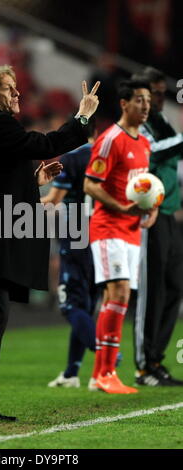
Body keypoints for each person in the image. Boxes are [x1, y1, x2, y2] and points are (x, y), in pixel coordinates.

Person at [0, 65, 100, 422]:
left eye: (15, 87)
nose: (17, 94)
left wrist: (33, 180)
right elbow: (45, 144)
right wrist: (82, 116)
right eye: (9, 88)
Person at [84, 79, 157, 394]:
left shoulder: (144, 143)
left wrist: (150, 208)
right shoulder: (111, 139)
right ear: (124, 103)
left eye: (148, 101)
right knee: (120, 293)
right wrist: (121, 207)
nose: (146, 106)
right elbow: (90, 184)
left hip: (131, 231)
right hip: (108, 227)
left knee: (115, 299)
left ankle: (101, 373)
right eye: (140, 100)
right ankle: (106, 372)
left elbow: (144, 187)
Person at [133, 67, 183, 386]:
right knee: (152, 290)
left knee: (174, 286)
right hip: (148, 214)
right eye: (157, 92)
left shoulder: (162, 122)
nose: (163, 97)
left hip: (168, 213)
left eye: (164, 92)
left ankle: (156, 359)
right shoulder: (138, 125)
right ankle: (143, 365)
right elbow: (149, 155)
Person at [41, 118, 99, 390]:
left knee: (70, 304)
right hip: (104, 235)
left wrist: (22, 197)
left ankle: (107, 353)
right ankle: (71, 372)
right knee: (86, 305)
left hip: (76, 230)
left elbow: (53, 200)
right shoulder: (108, 155)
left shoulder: (72, 158)